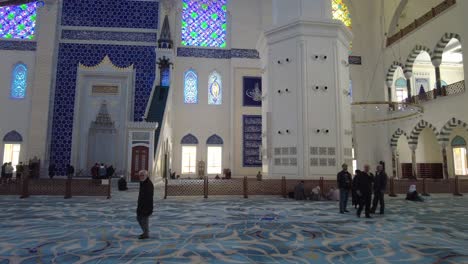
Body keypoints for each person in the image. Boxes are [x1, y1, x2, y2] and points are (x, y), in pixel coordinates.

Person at [136, 170, 154, 239]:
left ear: (146, 176)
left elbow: (149, 197)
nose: (141, 177)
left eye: (143, 175)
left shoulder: (148, 184)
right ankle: (145, 232)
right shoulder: (142, 182)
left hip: (146, 206)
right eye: (140, 175)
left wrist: (147, 208)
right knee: (139, 218)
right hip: (141, 204)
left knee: (144, 220)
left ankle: (146, 234)